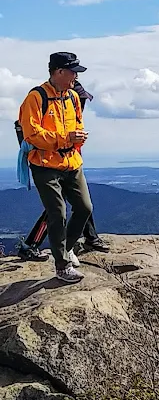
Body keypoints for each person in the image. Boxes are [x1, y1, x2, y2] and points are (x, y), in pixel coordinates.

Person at [18, 52, 94, 283]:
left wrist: (78, 137)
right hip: (44, 164)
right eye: (72, 72)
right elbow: (32, 134)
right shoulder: (36, 97)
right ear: (58, 72)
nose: (75, 77)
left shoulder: (71, 97)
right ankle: (62, 266)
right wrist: (65, 138)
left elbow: (77, 123)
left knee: (84, 208)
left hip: (71, 162)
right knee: (57, 213)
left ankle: (66, 249)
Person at [17, 78, 109, 262]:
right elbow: (34, 136)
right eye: (81, 100)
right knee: (56, 209)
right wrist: (67, 140)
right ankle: (32, 245)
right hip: (47, 161)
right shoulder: (41, 100)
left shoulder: (69, 107)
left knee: (78, 205)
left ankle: (87, 237)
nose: (81, 104)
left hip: (67, 161)